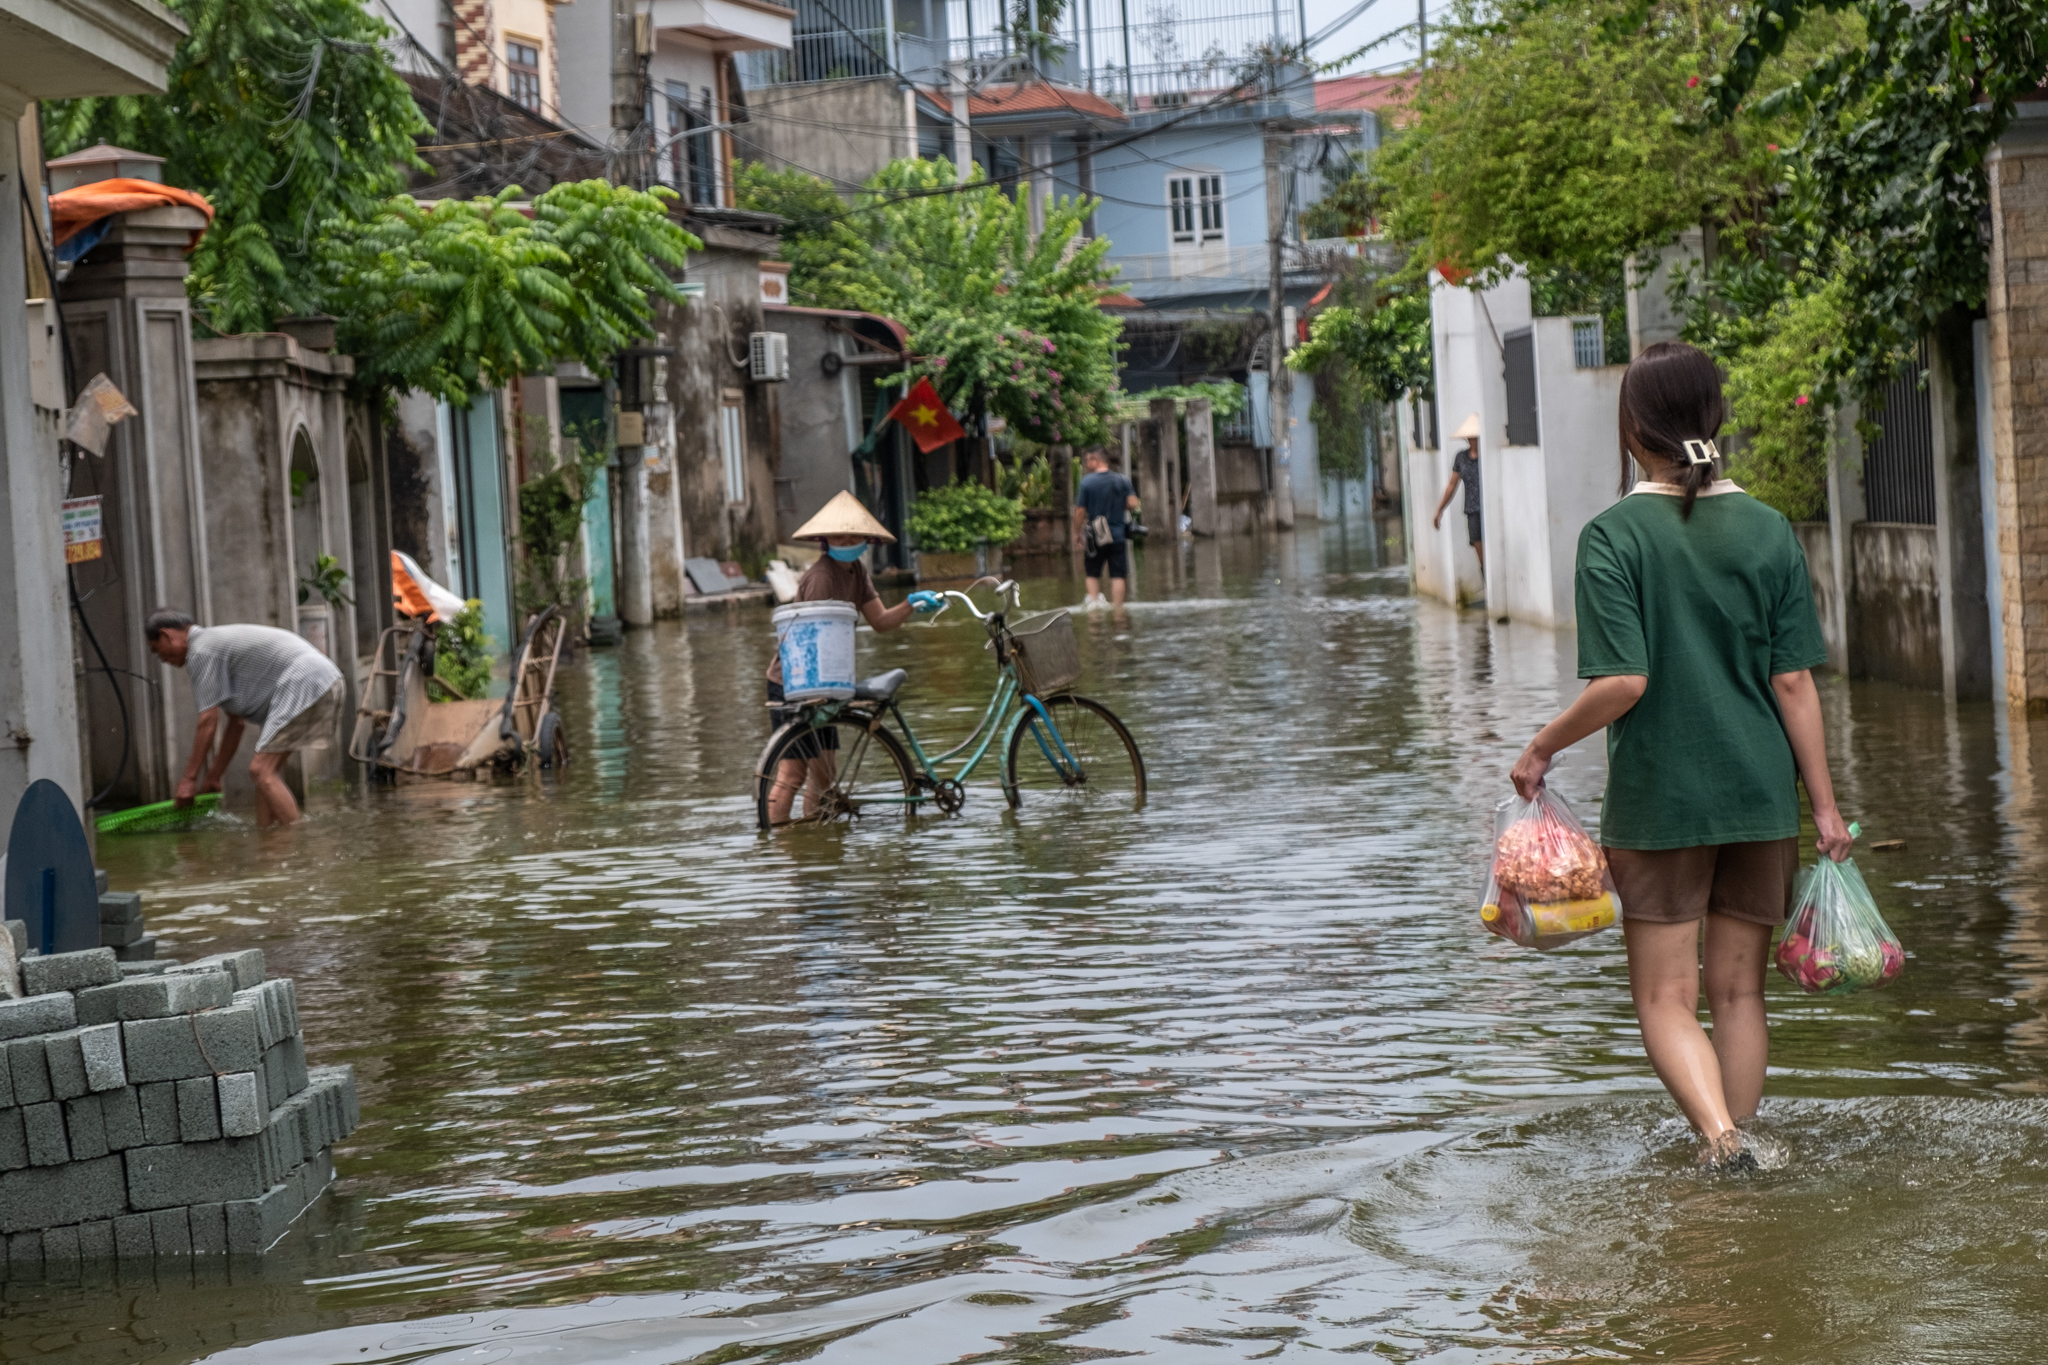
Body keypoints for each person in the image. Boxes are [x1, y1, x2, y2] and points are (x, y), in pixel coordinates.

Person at [1507, 342, 1852, 1169]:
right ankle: (1736, 1152)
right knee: (1739, 992)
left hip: (1662, 799)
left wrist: (1542, 745)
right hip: (1758, 796)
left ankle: (1722, 1139)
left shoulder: (1613, 536)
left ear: (1633, 428)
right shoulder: (1768, 528)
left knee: (1666, 995)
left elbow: (1623, 681)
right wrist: (1826, 806)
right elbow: (1795, 682)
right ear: (1715, 418)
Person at [765, 491, 940, 824]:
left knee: (825, 776)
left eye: (852, 534)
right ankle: (780, 852)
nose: (845, 539)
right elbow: (814, 641)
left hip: (825, 682)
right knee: (793, 773)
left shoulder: (857, 572)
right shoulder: (821, 578)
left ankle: (814, 844)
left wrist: (910, 604)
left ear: (865, 539)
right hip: (795, 680)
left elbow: (880, 621)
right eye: (838, 534)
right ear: (825, 539)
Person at [144, 609, 347, 827]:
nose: (162, 659)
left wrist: (188, 780)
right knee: (265, 776)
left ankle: (296, 849)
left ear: (166, 635)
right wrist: (214, 775)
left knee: (260, 771)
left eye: (157, 651)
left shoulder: (200, 651)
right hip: (325, 679)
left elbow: (208, 722)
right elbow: (236, 724)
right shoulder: (213, 645)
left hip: (306, 680)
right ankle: (269, 846)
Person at [1071, 446, 1139, 608]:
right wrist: (1118, 507)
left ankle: (1094, 609)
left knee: (1092, 574)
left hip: (1095, 533)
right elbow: (1133, 503)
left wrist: (1076, 533)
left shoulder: (1086, 482)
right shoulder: (1122, 480)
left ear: (1096, 460)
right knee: (1117, 575)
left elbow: (1080, 512)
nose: (1087, 463)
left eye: (1088, 460)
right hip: (1118, 534)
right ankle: (1118, 610)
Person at [1431, 413, 1486, 572]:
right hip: (1472, 510)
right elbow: (1451, 485)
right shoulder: (1461, 457)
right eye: (1470, 437)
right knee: (1480, 553)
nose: (1473, 440)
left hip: (1488, 509)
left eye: (1476, 437)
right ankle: (1486, 577)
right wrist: (1439, 509)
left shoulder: (1487, 456)